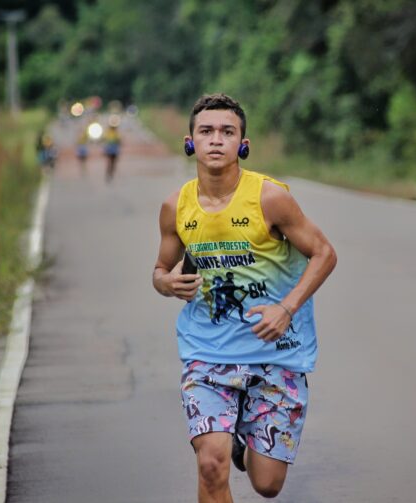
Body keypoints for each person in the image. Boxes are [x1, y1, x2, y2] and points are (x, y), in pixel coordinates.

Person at [152, 93, 337, 502]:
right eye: (206, 131)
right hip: (207, 351)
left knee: (267, 485)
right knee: (210, 465)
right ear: (190, 142)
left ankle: (241, 439)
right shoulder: (175, 207)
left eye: (227, 132)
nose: (216, 139)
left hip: (275, 351)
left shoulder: (269, 198)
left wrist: (287, 309)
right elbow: (161, 271)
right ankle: (223, 438)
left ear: (243, 145)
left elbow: (324, 253)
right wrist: (165, 283)